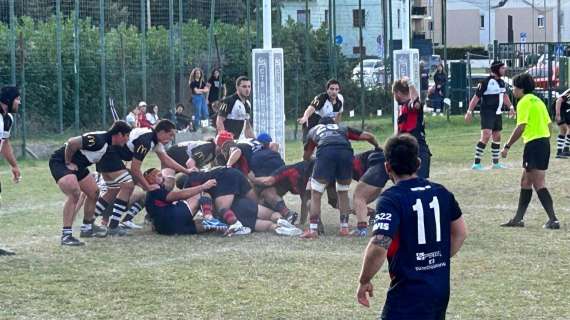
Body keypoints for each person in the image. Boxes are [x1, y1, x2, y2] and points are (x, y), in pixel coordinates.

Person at [356, 134, 467, 319]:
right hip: (439, 291)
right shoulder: (442, 192)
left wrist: (364, 280)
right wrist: (434, 260)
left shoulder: (391, 199)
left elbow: (378, 245)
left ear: (387, 167)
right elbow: (461, 233)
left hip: (408, 292)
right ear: (418, 163)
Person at [94, 119, 192, 235]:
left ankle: (89, 222)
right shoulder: (146, 140)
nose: (171, 138)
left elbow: (166, 160)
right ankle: (113, 226)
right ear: (161, 132)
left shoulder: (154, 140)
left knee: (113, 191)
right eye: (170, 135)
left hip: (108, 156)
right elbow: (135, 169)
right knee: (128, 186)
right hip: (110, 155)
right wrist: (147, 187)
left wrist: (187, 171)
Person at [48, 121, 132, 245]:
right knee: (75, 193)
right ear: (119, 134)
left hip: (79, 166)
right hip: (61, 162)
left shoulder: (108, 144)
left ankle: (87, 229)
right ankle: (66, 236)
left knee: (94, 193)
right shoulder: (99, 140)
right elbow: (72, 143)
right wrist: (67, 162)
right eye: (126, 136)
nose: (127, 139)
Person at [301, 117, 380, 239]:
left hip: (326, 152)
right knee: (342, 192)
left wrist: (317, 160)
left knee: (316, 194)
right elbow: (368, 136)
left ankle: (313, 230)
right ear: (334, 124)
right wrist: (377, 147)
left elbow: (306, 156)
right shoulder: (342, 128)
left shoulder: (314, 130)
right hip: (345, 153)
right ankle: (344, 228)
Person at [500, 73, 560, 229]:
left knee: (538, 182)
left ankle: (553, 219)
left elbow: (521, 126)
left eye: (514, 87)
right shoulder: (539, 101)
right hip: (543, 142)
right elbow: (549, 125)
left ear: (521, 89)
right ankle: (518, 219)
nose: (513, 90)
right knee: (525, 181)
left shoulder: (524, 102)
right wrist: (544, 140)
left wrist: (507, 146)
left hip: (534, 144)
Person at [143, 168, 227, 235]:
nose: (163, 177)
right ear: (151, 179)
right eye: (159, 175)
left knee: (207, 225)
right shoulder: (155, 190)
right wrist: (203, 186)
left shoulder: (149, 195)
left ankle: (224, 225)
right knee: (202, 193)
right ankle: (209, 217)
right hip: (174, 218)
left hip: (166, 229)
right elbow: (179, 195)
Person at [465, 60, 515, 170]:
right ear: (496, 69)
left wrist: (511, 107)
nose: (504, 70)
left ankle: (495, 163)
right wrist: (469, 111)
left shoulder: (502, 82)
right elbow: (476, 98)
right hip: (487, 112)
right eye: (502, 68)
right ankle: (476, 163)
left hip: (498, 113)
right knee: (486, 136)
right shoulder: (485, 82)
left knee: (497, 136)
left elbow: (505, 96)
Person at [393, 78, 431, 178]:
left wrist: (410, 83)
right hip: (406, 151)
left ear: (398, 93)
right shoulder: (403, 108)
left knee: (419, 186)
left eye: (394, 94)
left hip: (417, 150)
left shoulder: (409, 106)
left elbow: (416, 104)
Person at [0, 86, 21, 255]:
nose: (19, 102)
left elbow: (4, 143)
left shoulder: (8, 119)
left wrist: (14, 165)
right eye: (17, 98)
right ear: (8, 100)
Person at [553, 88, 570, 158]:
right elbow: (558, 101)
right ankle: (561, 151)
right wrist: (558, 115)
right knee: (563, 129)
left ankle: (564, 150)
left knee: (567, 129)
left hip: (566, 109)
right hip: (559, 108)